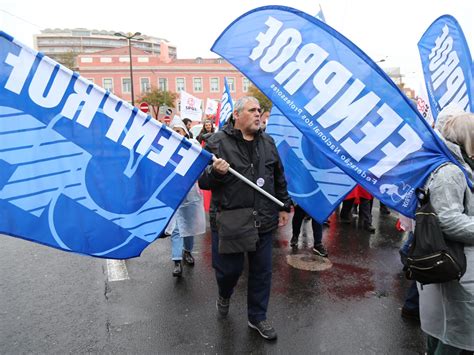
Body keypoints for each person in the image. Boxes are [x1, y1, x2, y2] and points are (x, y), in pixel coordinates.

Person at [198, 96, 291, 341]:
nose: (258, 114)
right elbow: (203, 181)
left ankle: (257, 317)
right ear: (236, 115)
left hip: (264, 219)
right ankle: (224, 294)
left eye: (259, 110)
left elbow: (278, 176)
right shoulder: (216, 143)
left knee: (262, 272)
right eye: (252, 110)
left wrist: (284, 206)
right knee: (230, 271)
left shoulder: (268, 142)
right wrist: (214, 173)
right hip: (231, 221)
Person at [418, 111, 474, 354]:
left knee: (446, 328)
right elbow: (448, 220)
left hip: (458, 261)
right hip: (457, 263)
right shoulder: (450, 171)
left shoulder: (459, 165)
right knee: (454, 333)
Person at [167, 117, 206, 277]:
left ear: (184, 132)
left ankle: (187, 252)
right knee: (176, 229)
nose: (176, 134)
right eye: (173, 131)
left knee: (189, 227)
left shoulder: (193, 146)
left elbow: (201, 162)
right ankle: (176, 261)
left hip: (190, 195)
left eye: (179, 131)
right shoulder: (166, 149)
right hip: (174, 196)